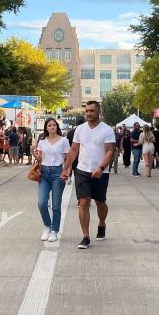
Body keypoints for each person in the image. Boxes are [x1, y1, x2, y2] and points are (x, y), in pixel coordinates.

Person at [61, 101, 115, 249]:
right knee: (84, 202)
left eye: (92, 111)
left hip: (101, 172)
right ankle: (85, 236)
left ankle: (102, 223)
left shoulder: (107, 130)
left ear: (99, 112)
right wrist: (66, 169)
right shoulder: (80, 129)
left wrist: (101, 167)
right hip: (82, 171)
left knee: (100, 202)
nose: (89, 113)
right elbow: (73, 150)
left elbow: (110, 150)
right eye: (87, 111)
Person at [34, 118, 70, 242]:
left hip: (57, 172)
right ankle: (47, 226)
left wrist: (67, 172)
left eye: (54, 125)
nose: (52, 127)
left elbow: (67, 159)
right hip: (44, 172)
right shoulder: (42, 141)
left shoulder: (64, 141)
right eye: (49, 125)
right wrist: (32, 151)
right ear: (46, 127)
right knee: (42, 203)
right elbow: (39, 158)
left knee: (56, 205)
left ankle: (54, 230)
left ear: (57, 127)